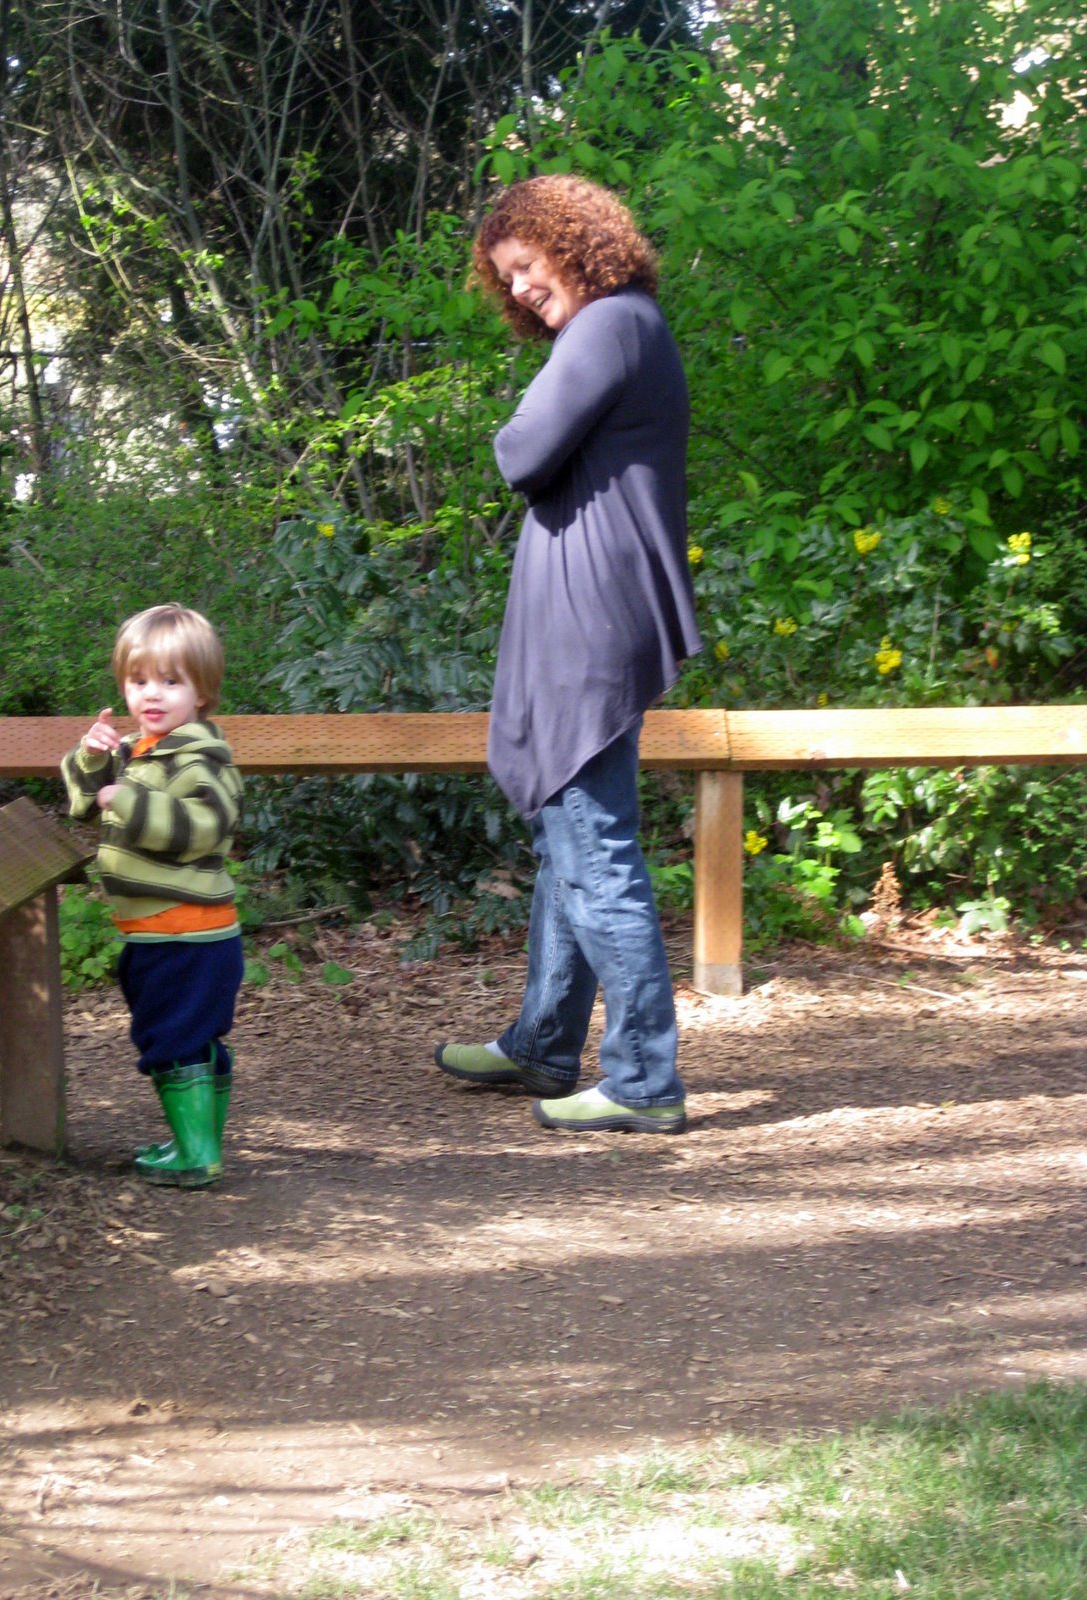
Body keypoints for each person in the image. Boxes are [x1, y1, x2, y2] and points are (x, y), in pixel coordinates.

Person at [434, 174, 702, 1134]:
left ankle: (643, 1080)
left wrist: (521, 421)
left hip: (591, 624)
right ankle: (545, 1042)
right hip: (588, 620)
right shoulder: (625, 329)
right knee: (568, 837)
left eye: (525, 265)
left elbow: (520, 452)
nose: (517, 289)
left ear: (571, 241)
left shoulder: (609, 324)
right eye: (503, 278)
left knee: (594, 847)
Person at [62, 604, 244, 1186]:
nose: (152, 694)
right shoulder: (137, 752)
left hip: (185, 933)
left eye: (170, 681)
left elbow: (205, 827)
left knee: (172, 1038)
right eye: (139, 680)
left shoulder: (199, 759)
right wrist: (92, 758)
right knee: (191, 1035)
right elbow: (83, 802)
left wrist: (130, 801)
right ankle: (200, 1142)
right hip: (159, 931)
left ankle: (196, 1155)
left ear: (202, 692)